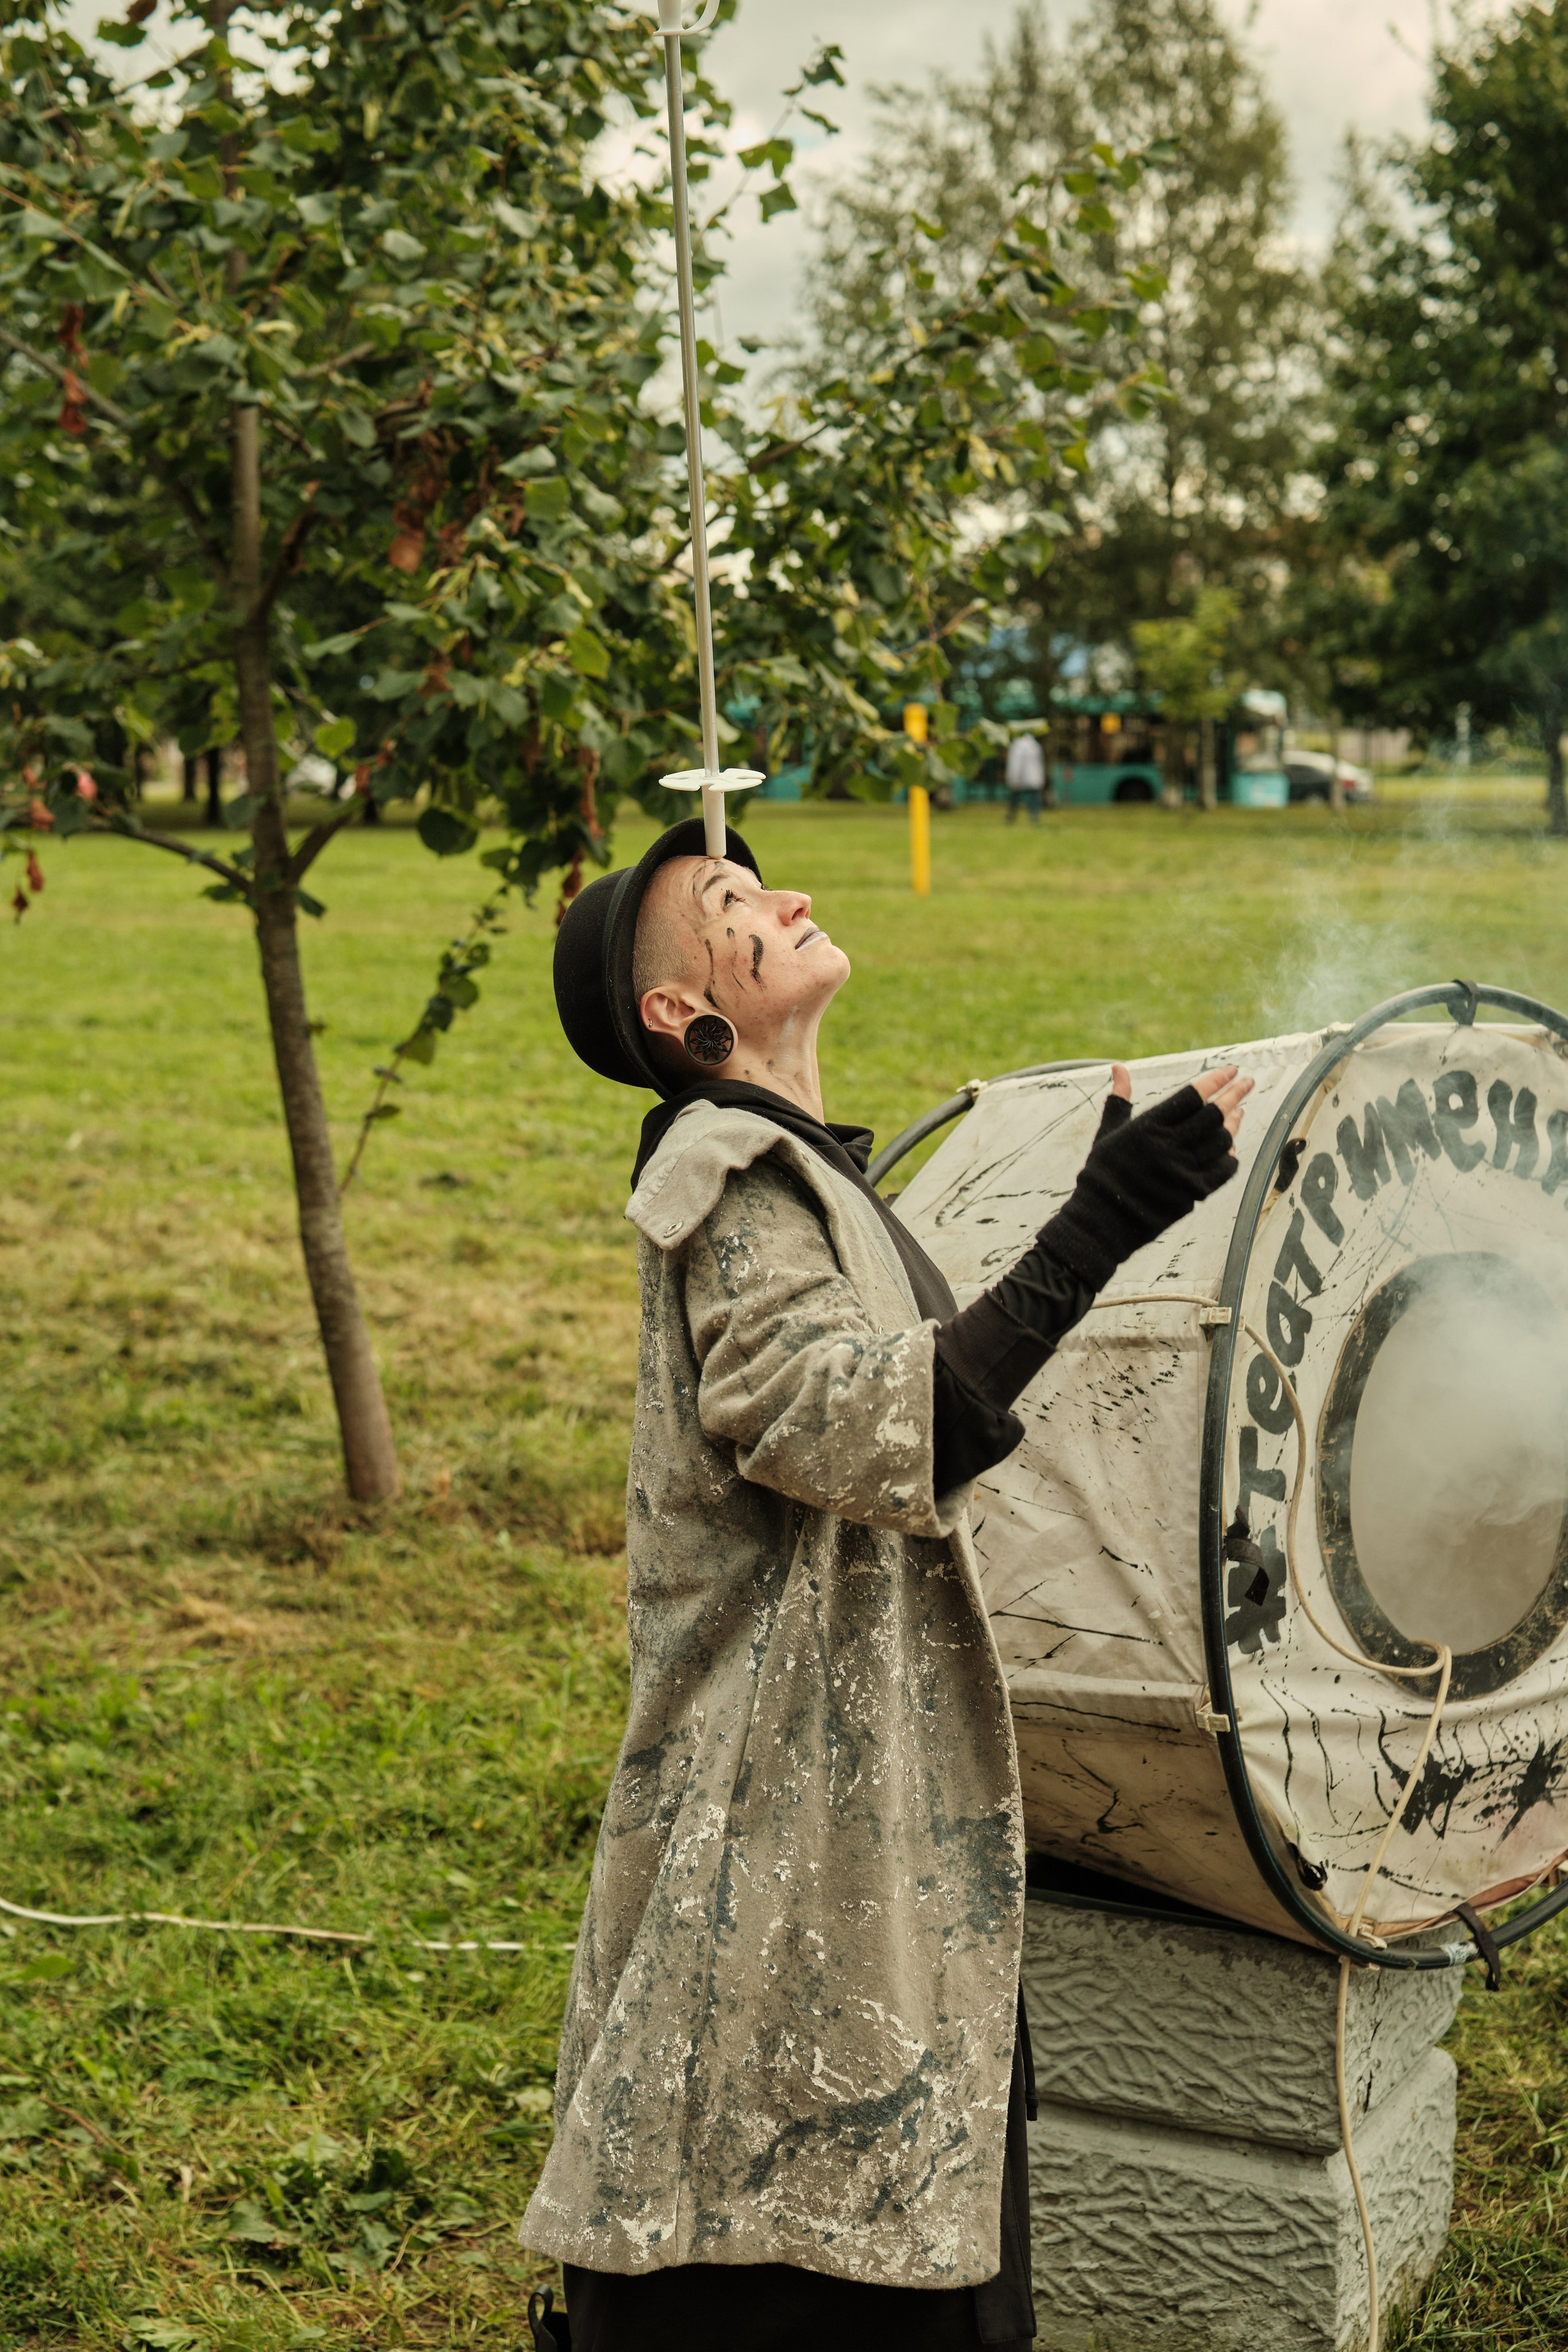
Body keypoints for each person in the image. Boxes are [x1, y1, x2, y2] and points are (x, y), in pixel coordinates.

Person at [526, 817, 1252, 2352]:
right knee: (797, 2253)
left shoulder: (800, 1177)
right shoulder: (724, 1176)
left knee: (922, 2175)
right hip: (782, 1813)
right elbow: (874, 1425)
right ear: (678, 1014)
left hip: (861, 1808)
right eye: (730, 902)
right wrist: (1103, 1220)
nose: (783, 894)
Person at [1004, 731, 1046, 823]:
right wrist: (1040, 779)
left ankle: (1011, 818)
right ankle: (1034, 819)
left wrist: (1013, 779)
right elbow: (1040, 764)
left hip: (1021, 779)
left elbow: (1016, 764)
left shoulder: (1017, 745)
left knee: (1015, 800)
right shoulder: (1035, 745)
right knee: (1033, 800)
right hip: (1034, 779)